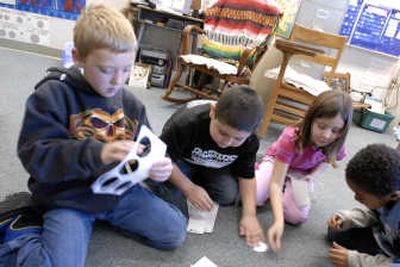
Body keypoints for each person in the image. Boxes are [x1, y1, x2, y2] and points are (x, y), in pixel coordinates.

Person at [0, 5, 186, 266]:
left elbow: (145, 148)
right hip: (69, 197)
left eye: (126, 69)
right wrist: (98, 152)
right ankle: (21, 232)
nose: (117, 80)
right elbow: (36, 156)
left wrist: (155, 169)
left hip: (117, 192)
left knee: (174, 232)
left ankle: (99, 220)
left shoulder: (132, 104)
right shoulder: (53, 95)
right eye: (106, 70)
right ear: (78, 57)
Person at [150, 85, 265, 246]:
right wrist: (189, 188)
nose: (227, 142)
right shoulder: (186, 123)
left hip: (216, 164)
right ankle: (191, 180)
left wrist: (250, 215)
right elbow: (162, 157)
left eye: (237, 139)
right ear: (213, 112)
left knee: (228, 196)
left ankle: (197, 179)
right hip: (182, 159)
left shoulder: (251, 141)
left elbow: (247, 175)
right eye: (223, 132)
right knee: (168, 196)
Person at [256, 90, 353, 252]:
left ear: (342, 131)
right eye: (321, 126)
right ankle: (260, 172)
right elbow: (275, 183)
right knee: (253, 197)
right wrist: (278, 221)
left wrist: (312, 175)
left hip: (301, 172)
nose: (326, 135)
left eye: (335, 130)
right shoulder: (290, 137)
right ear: (311, 119)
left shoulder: (336, 143)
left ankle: (285, 191)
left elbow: (328, 159)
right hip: (277, 163)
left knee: (296, 217)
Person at [327, 144, 400, 267]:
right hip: (385, 238)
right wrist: (348, 217)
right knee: (337, 231)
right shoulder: (387, 192)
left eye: (361, 196)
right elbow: (374, 213)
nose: (355, 198)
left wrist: (356, 260)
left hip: (395, 257)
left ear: (393, 196)